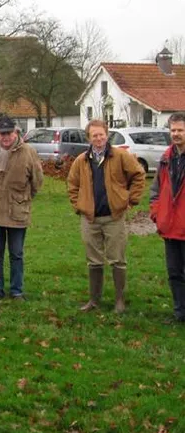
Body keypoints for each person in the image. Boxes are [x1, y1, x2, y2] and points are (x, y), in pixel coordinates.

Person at [68, 120, 144, 313]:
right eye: (94, 135)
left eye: (101, 134)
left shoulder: (120, 156)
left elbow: (138, 175)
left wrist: (131, 200)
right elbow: (72, 184)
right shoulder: (82, 160)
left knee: (117, 259)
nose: (98, 138)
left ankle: (119, 300)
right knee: (93, 260)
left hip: (114, 217)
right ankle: (94, 300)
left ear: (107, 134)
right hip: (90, 219)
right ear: (89, 138)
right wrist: (79, 206)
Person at [0, 115, 43, 300]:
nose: (5, 137)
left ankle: (16, 290)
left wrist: (24, 198)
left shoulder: (28, 152)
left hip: (17, 211)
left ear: (16, 133)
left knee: (16, 254)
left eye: (9, 133)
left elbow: (37, 181)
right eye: (2, 133)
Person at [150, 111, 185, 322]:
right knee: (174, 274)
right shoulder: (166, 159)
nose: (176, 134)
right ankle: (180, 313)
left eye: (180, 130)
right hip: (170, 228)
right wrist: (157, 214)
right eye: (173, 130)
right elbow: (155, 191)